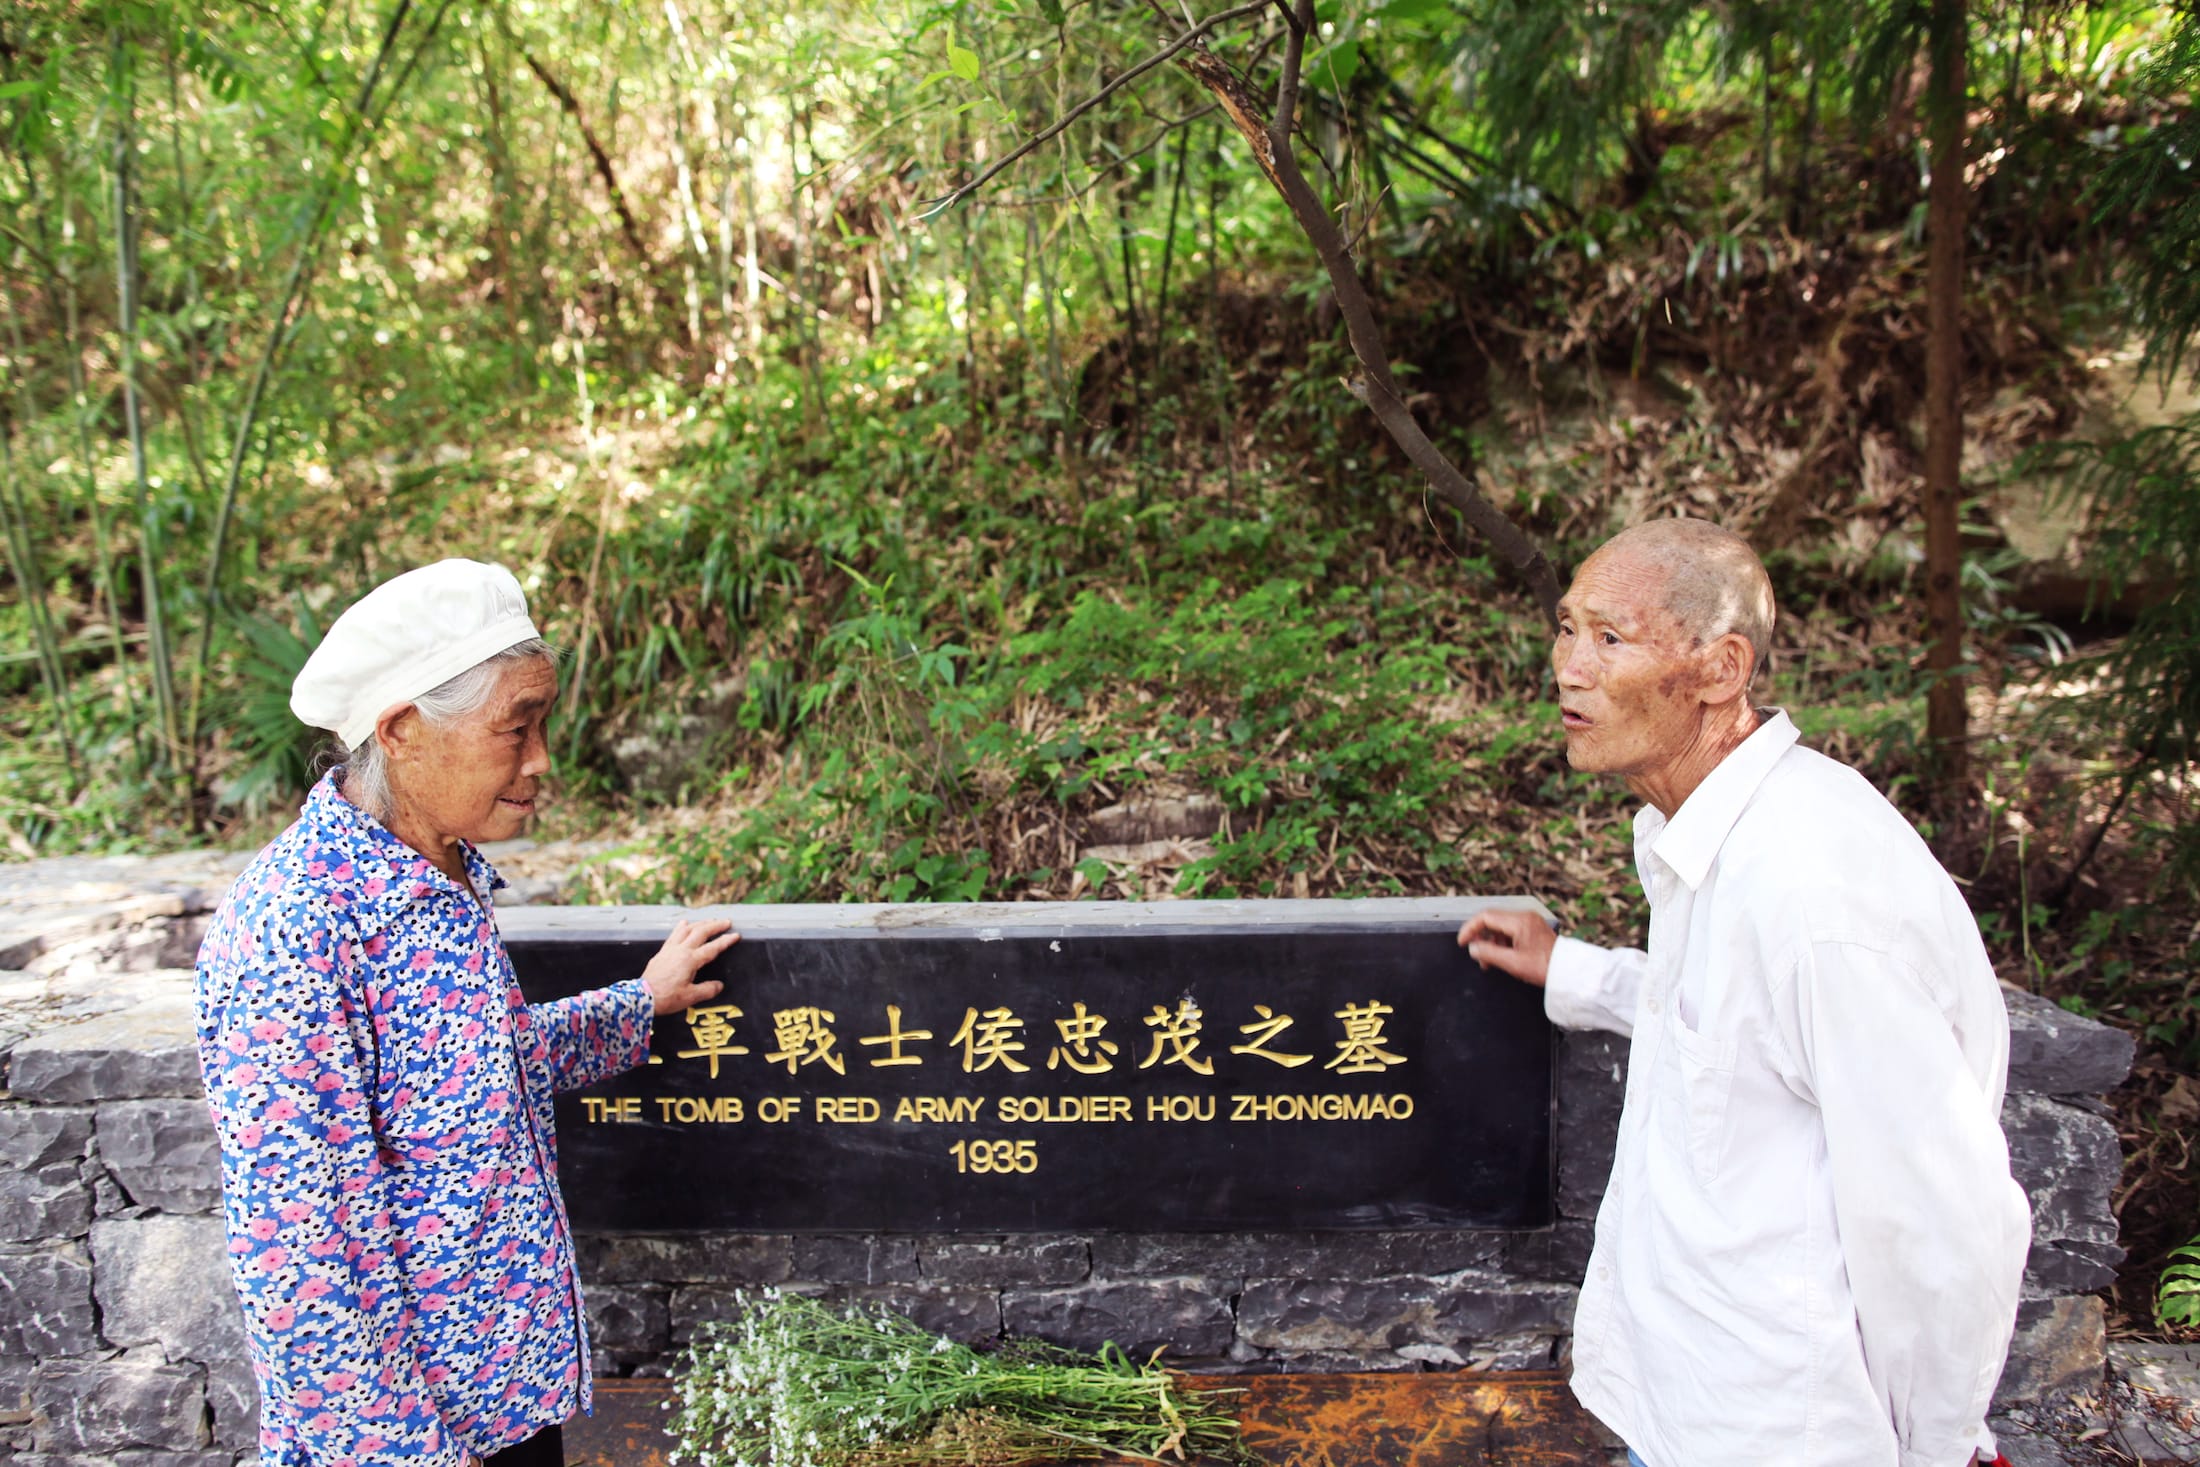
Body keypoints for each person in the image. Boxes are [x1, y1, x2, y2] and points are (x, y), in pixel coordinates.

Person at [1458, 519, 2029, 1467]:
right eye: (1566, 628)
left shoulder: (1815, 888)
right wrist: (1580, 973)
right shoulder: (1708, 835)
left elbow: (1942, 1217)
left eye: (1611, 636)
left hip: (1786, 1432)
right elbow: (1740, 1030)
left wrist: (1941, 1447)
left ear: (1722, 669)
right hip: (1686, 1408)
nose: (1568, 666)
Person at [194, 559, 738, 1467]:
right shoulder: (294, 929)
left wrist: (641, 1003)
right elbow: (299, 1256)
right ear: (403, 730)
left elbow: (480, 1065)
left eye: (543, 723)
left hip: (507, 1394)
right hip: (418, 1435)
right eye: (516, 729)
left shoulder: (437, 877)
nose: (542, 759)